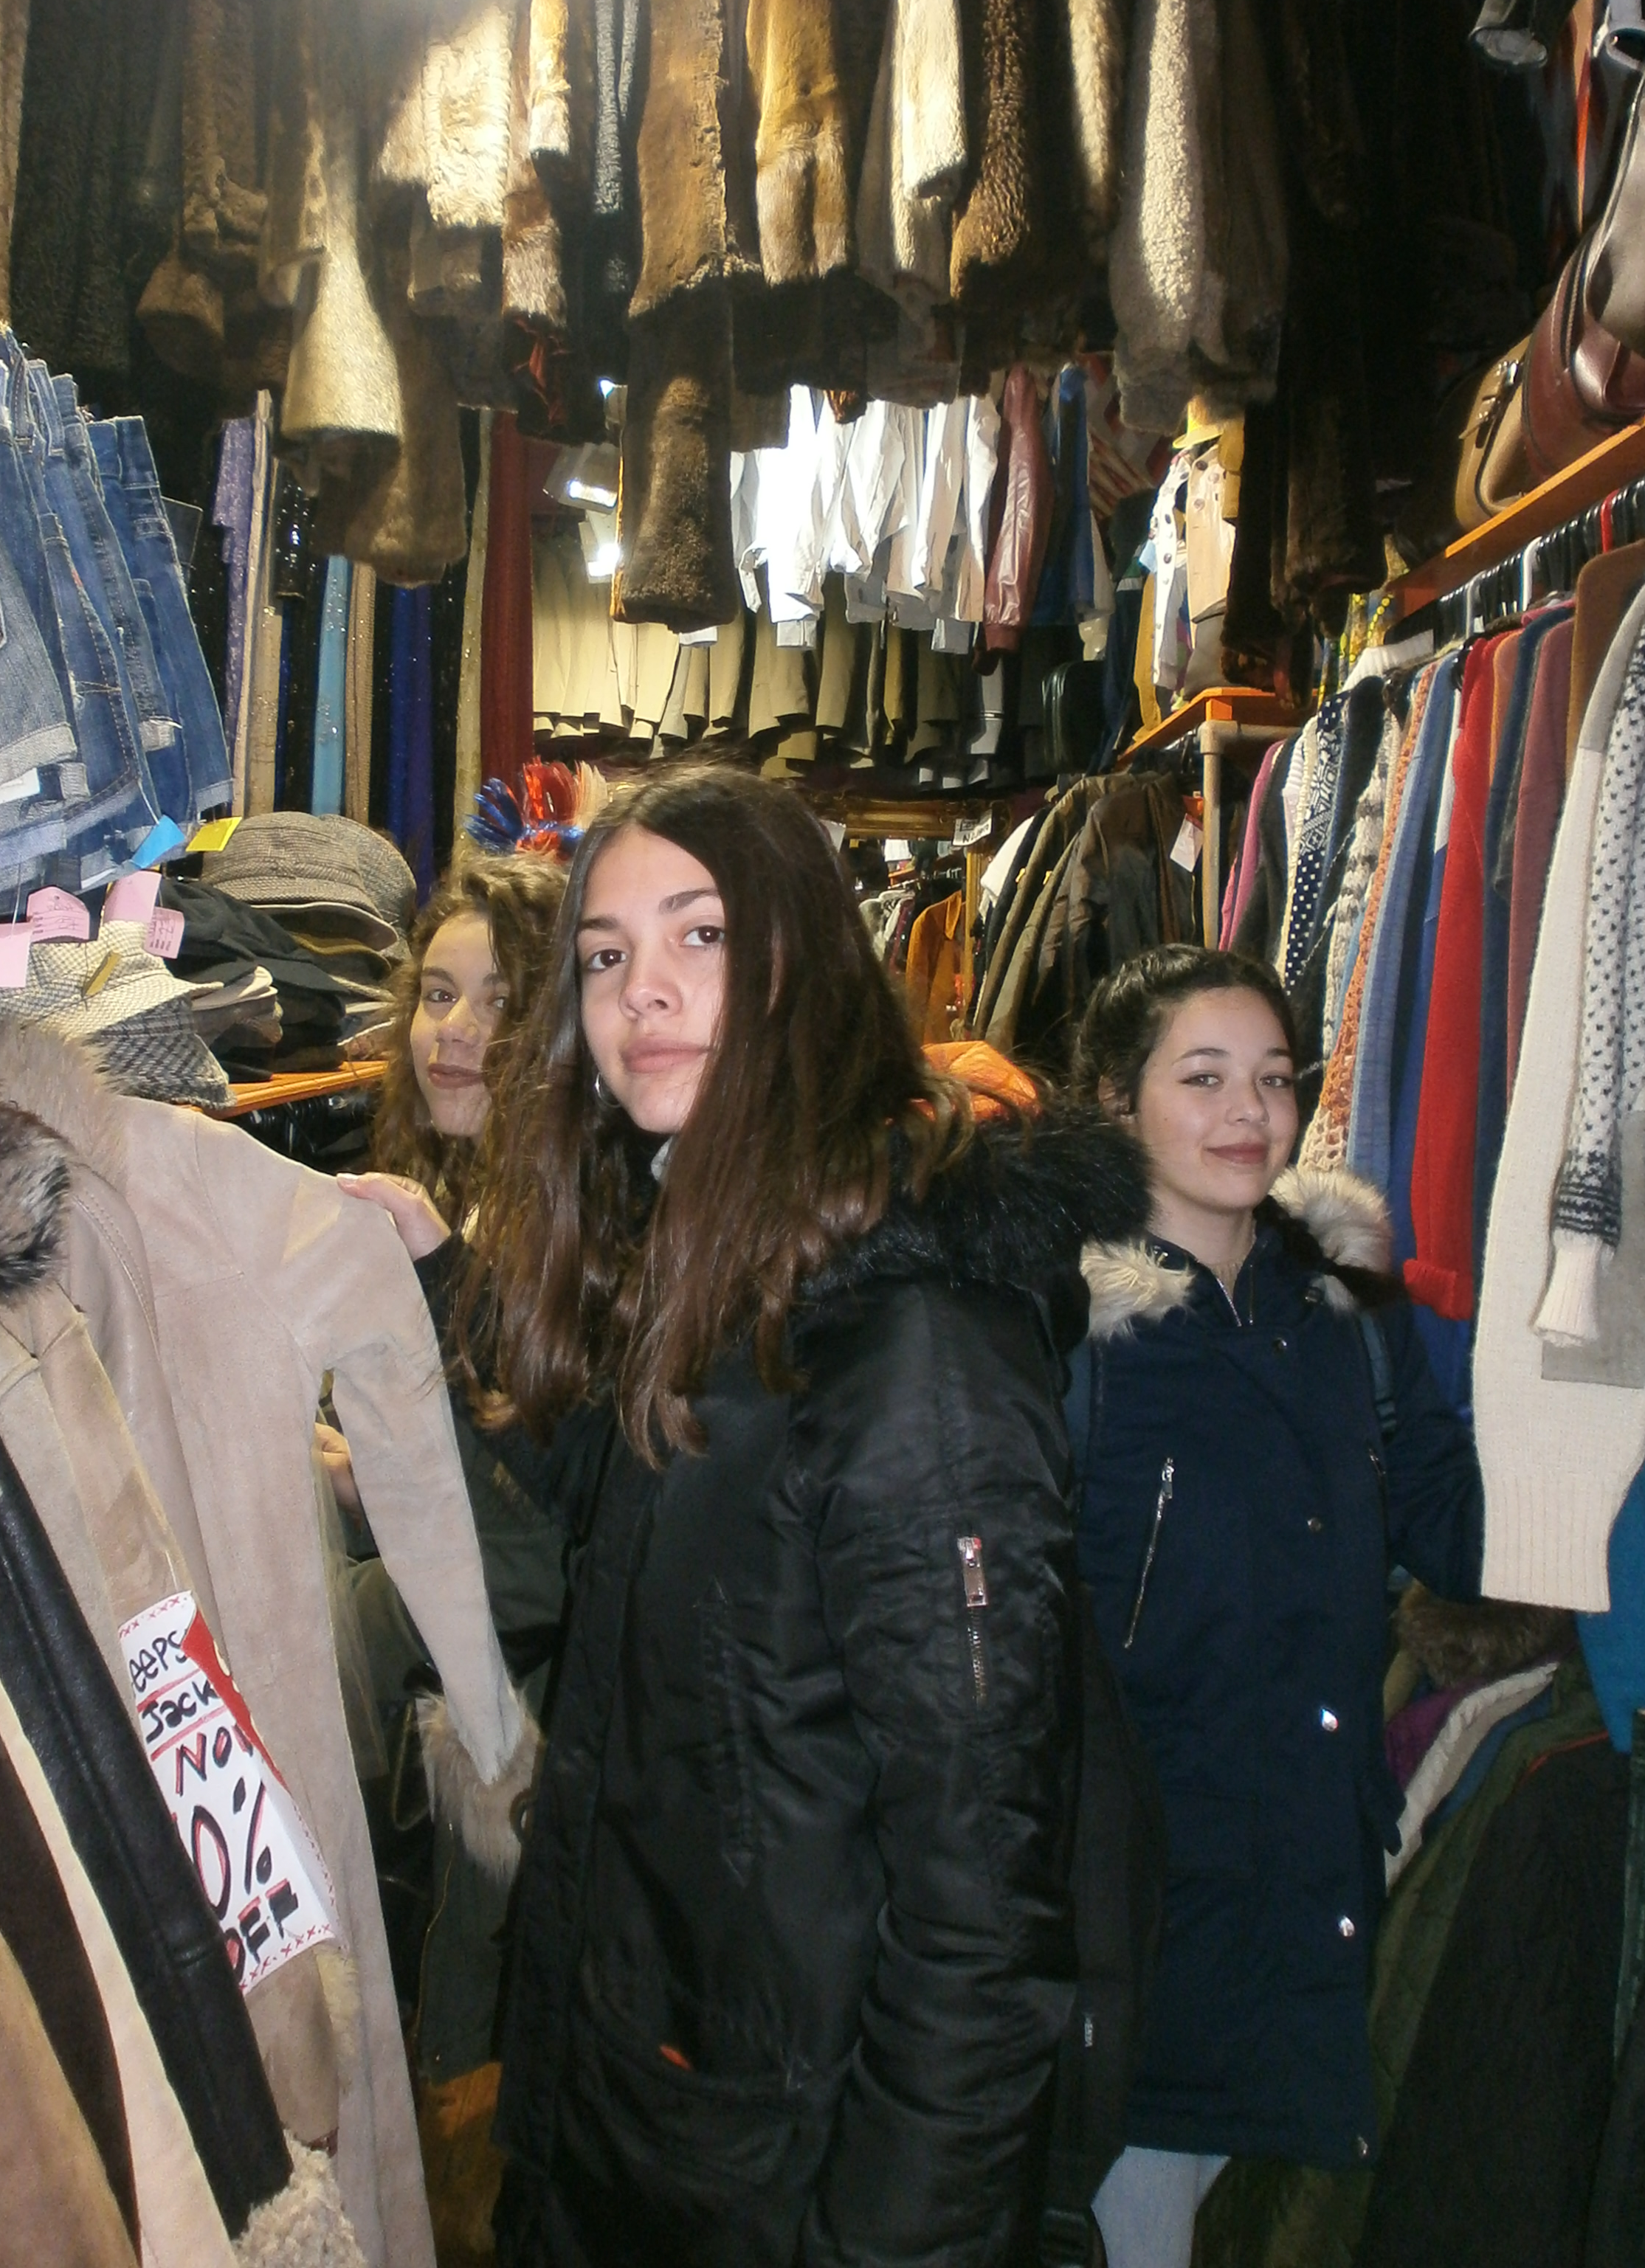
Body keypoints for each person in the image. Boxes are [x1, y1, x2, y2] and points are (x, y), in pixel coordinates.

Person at [469, 761, 1152, 2268]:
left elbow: (984, 1917)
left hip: (782, 2183)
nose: (642, 990)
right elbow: (674, 1562)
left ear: (805, 964)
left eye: (700, 934)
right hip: (646, 2131)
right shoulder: (717, 1271)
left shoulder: (913, 1345)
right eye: (605, 954)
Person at [1069, 946, 1485, 2268]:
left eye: (1274, 1078)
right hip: (1141, 1923)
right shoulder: (1059, 1336)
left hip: (1311, 1897)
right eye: (1203, 1078)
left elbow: (1457, 1524)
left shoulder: (1346, 1313)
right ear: (1115, 1099)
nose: (1250, 1113)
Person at [323, 849, 570, 2080]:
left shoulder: (570, 1235)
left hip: (517, 1730)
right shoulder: (461, 1191)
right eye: (436, 995)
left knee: (466, 2062)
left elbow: (549, 1542)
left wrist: (372, 1495)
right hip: (458, 1705)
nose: (455, 1033)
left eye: (499, 1001)